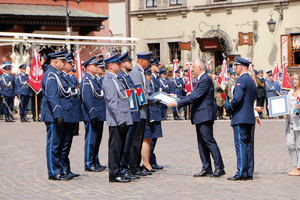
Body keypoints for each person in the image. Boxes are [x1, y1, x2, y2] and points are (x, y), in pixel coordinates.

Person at [167, 58, 225, 178]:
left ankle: (219, 167)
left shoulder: (205, 80)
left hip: (204, 116)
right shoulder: (201, 79)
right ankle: (206, 168)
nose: (192, 69)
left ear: (200, 67)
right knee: (201, 143)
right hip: (200, 116)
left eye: (193, 67)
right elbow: (193, 96)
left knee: (209, 141)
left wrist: (177, 103)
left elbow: (194, 98)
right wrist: (177, 96)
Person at [41, 50, 73, 180]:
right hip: (53, 115)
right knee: (54, 145)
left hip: (61, 114)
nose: (64, 64)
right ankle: (54, 172)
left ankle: (60, 169)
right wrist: (58, 113)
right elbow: (52, 96)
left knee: (60, 144)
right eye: (62, 61)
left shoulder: (58, 75)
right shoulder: (51, 75)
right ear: (55, 62)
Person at [102, 53, 133, 183]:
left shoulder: (115, 79)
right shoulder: (109, 80)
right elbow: (113, 103)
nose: (119, 65)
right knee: (115, 147)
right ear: (110, 66)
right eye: (116, 63)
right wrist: (121, 120)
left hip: (122, 118)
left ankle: (119, 170)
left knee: (120, 147)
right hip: (116, 121)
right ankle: (114, 173)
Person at [129, 51, 160, 176]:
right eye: (147, 60)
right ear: (141, 61)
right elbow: (140, 93)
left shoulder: (141, 72)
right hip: (139, 111)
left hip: (143, 110)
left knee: (139, 139)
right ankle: (134, 166)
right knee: (136, 141)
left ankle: (136, 165)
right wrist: (156, 100)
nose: (149, 63)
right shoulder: (136, 73)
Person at [226, 57, 256, 181]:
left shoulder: (241, 81)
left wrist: (229, 108)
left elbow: (237, 99)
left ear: (241, 67)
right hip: (249, 117)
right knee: (248, 145)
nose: (234, 69)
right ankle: (248, 172)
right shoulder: (251, 81)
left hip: (240, 117)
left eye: (236, 66)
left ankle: (241, 172)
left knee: (241, 145)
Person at [117, 51, 141, 179]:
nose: (131, 64)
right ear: (122, 64)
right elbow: (126, 95)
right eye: (129, 62)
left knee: (129, 143)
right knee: (125, 145)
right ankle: (122, 168)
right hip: (128, 114)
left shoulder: (127, 76)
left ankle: (126, 168)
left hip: (134, 113)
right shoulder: (121, 77)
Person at [80, 56, 106, 172]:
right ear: (89, 68)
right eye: (95, 66)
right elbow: (87, 99)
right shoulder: (86, 80)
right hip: (92, 115)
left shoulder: (95, 80)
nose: (97, 67)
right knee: (91, 140)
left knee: (97, 140)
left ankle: (96, 161)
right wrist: (92, 114)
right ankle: (89, 163)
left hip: (99, 114)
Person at [59, 53, 82, 178]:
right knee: (63, 143)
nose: (71, 65)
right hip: (66, 114)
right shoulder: (60, 77)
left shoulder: (70, 78)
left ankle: (66, 167)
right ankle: (62, 168)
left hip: (72, 115)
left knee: (68, 144)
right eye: (69, 63)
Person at [142, 59, 164, 172]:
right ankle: (148, 161)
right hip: (150, 113)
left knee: (153, 139)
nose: (149, 76)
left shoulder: (155, 81)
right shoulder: (146, 84)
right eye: (148, 74)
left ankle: (151, 160)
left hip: (155, 112)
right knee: (149, 139)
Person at [284, 72, 300, 176]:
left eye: (296, 79)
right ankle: (295, 166)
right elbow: (284, 105)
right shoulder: (290, 92)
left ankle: (298, 168)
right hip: (289, 122)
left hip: (298, 122)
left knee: (299, 146)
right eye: (293, 79)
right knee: (290, 144)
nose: (294, 81)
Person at [69, 67, 80, 136]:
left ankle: (75, 130)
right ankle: (76, 130)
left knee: (75, 114)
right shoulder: (74, 78)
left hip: (74, 97)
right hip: (74, 96)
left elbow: (72, 87)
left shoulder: (72, 78)